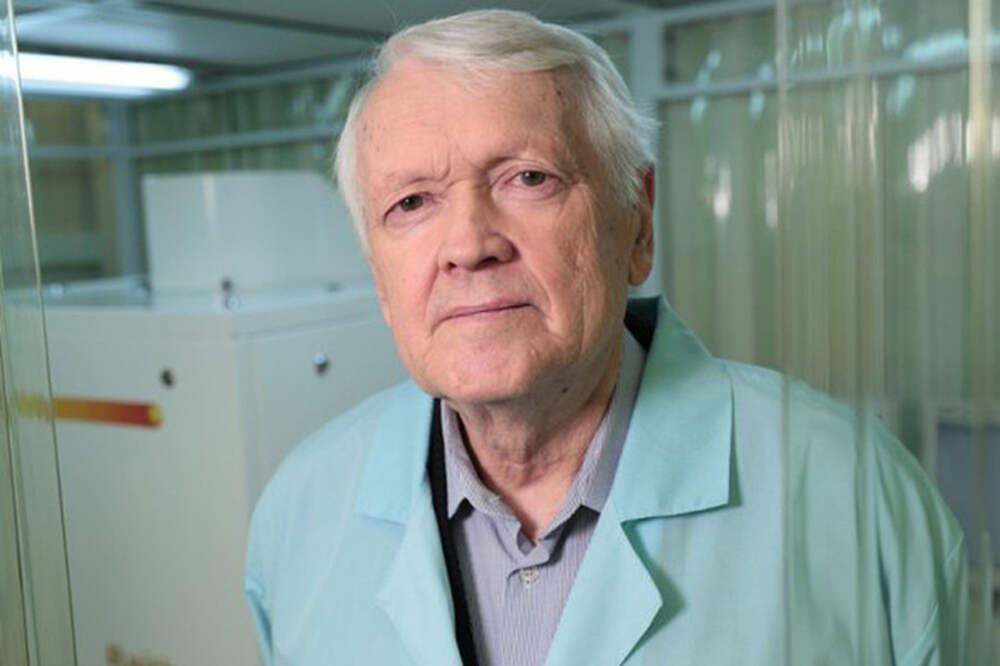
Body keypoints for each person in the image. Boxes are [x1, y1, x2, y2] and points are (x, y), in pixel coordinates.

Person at [245, 9, 967, 666]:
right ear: (379, 277)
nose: (468, 245)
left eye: (529, 178)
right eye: (411, 203)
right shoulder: (299, 513)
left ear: (638, 225)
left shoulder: (850, 492)